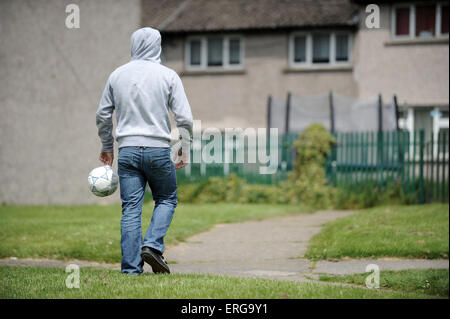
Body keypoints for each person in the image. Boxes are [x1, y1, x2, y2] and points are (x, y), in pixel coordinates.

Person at [96, 27, 193, 275]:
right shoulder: (168, 75)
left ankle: (130, 269)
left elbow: (103, 115)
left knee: (130, 209)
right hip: (158, 150)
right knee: (167, 198)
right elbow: (184, 117)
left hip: (127, 150)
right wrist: (184, 146)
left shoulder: (116, 75)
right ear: (157, 46)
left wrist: (108, 146)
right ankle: (152, 245)